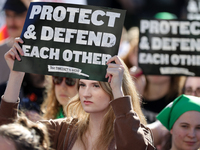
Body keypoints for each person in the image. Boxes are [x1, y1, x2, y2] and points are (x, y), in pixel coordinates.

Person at [0, 37, 155, 150]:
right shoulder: (63, 130)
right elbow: (9, 134)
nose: (86, 93)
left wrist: (118, 91)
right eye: (82, 85)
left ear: (113, 88)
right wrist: (16, 75)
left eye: (95, 85)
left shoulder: (138, 133)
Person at [0, 0, 31, 85]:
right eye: (8, 15)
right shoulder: (1, 51)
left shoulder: (43, 52)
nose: (11, 22)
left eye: (18, 15)